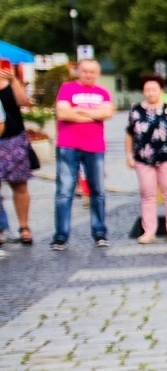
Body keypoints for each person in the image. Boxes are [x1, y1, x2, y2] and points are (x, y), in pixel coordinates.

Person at [52, 58, 115, 250]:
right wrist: (92, 113)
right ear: (78, 71)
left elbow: (107, 113)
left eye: (92, 72)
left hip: (95, 146)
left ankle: (99, 232)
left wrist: (77, 110)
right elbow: (63, 113)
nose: (88, 74)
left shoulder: (102, 92)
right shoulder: (67, 88)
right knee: (65, 191)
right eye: (85, 71)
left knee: (98, 191)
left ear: (98, 74)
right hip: (68, 145)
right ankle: (61, 236)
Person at [125, 74, 167, 244]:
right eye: (147, 90)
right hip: (143, 159)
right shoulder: (136, 110)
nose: (150, 93)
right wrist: (129, 155)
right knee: (147, 195)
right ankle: (149, 231)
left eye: (154, 89)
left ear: (161, 90)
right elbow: (129, 135)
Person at [0, 61, 33, 245]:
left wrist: (14, 81)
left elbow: (23, 102)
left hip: (14, 139)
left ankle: (24, 226)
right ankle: (1, 230)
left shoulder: (11, 82)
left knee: (20, 185)